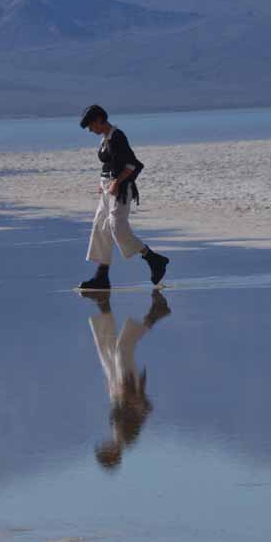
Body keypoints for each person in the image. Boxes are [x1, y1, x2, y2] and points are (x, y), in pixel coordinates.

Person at [79, 104, 169, 290]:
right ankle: (101, 276)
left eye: (90, 125)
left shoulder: (118, 136)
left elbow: (132, 165)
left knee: (117, 228)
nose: (90, 130)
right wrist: (103, 182)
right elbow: (110, 163)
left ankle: (153, 258)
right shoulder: (105, 139)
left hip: (119, 190)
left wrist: (116, 182)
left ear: (99, 120)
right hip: (107, 189)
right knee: (100, 227)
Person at [82, 289, 171, 469]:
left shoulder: (119, 435)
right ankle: (155, 314)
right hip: (128, 384)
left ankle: (108, 307)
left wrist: (114, 394)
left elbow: (123, 408)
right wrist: (130, 396)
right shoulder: (128, 436)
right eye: (106, 451)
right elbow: (144, 409)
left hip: (118, 383)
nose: (104, 445)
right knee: (123, 347)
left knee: (114, 347)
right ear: (113, 454)